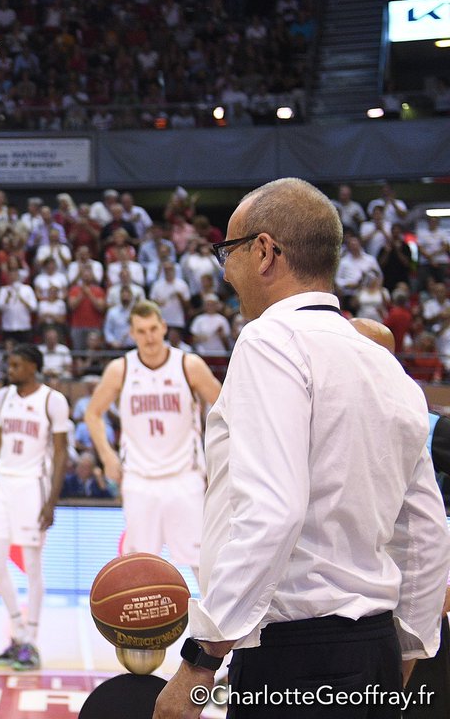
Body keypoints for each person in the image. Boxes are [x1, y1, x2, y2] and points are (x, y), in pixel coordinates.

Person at [153, 178, 450, 719]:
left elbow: (273, 511)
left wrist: (200, 661)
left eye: (229, 251)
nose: (223, 271)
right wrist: (406, 653)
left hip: (294, 654)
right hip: (376, 648)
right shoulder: (387, 367)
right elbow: (427, 531)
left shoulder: (270, 341)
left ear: (265, 252)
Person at [84, 300, 222, 576]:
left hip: (184, 477)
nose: (148, 337)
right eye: (141, 331)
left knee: (203, 563)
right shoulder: (120, 369)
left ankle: (212, 619)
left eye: (153, 329)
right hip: (139, 478)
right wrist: (107, 456)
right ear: (132, 334)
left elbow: (224, 409)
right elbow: (92, 414)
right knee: (138, 567)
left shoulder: (188, 365)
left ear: (164, 328)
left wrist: (217, 458)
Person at [0, 344, 70, 671]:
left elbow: (61, 454)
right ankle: (17, 633)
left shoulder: (52, 400)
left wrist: (51, 501)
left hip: (32, 486)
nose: (10, 369)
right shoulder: (3, 397)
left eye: (15, 364)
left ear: (33, 366)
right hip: (2, 484)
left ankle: (31, 640)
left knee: (31, 566)